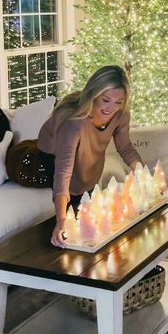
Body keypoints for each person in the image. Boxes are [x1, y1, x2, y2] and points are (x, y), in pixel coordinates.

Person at [37, 65, 143, 248]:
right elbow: (63, 172)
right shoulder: (73, 124)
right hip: (50, 154)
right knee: (70, 215)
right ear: (94, 94)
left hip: (86, 154)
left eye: (119, 102)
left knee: (87, 208)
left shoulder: (121, 115)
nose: (111, 108)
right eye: (106, 100)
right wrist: (61, 219)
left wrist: (142, 174)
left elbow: (125, 147)